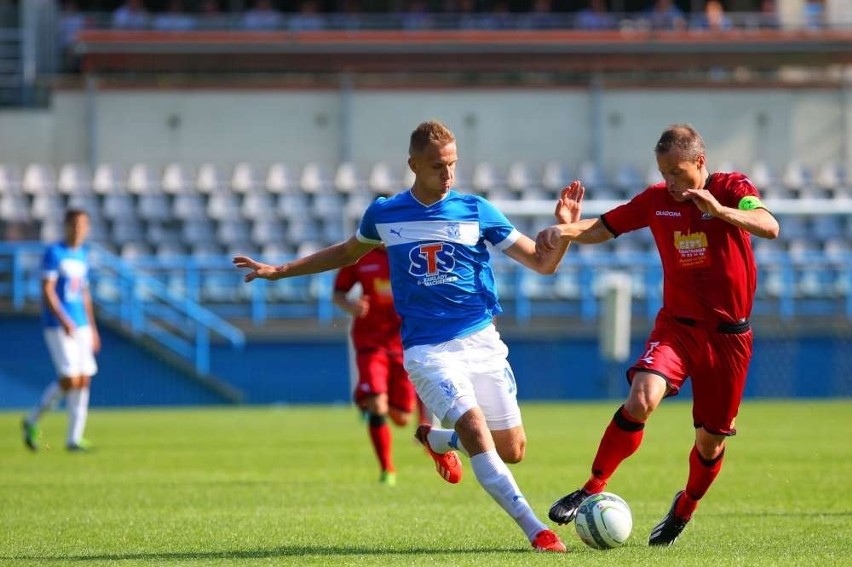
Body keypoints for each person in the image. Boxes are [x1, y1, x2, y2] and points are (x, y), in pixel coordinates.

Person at [235, 120, 585, 553]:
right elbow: (345, 253)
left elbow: (542, 264)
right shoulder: (385, 214)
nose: (449, 174)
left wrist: (566, 232)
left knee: (511, 449)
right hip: (428, 349)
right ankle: (537, 531)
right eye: (439, 166)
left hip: (481, 341)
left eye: (454, 165)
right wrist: (280, 270)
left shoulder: (476, 210)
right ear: (413, 165)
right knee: (475, 428)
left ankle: (436, 438)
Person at [537, 123, 780, 546]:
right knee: (642, 398)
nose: (669, 182)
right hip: (678, 328)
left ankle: (684, 507)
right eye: (663, 172)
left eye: (676, 172)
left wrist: (720, 212)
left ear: (700, 163)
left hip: (729, 338)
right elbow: (606, 227)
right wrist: (567, 231)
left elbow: (769, 224)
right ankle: (591, 488)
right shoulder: (655, 201)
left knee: (710, 444)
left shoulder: (730, 187)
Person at [332, 245, 430, 486]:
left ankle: (368, 397)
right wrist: (350, 305)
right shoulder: (360, 254)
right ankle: (387, 469)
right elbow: (338, 293)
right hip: (370, 342)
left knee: (402, 418)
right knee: (378, 404)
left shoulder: (411, 252)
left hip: (402, 342)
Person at [22, 209, 101, 452]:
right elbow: (48, 290)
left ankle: (73, 439)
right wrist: (63, 318)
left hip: (82, 325)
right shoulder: (54, 253)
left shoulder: (83, 255)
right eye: (74, 224)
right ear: (66, 226)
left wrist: (93, 328)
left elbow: (84, 294)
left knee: (84, 379)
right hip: (58, 325)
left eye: (83, 224)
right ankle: (32, 420)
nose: (79, 229)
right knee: (70, 378)